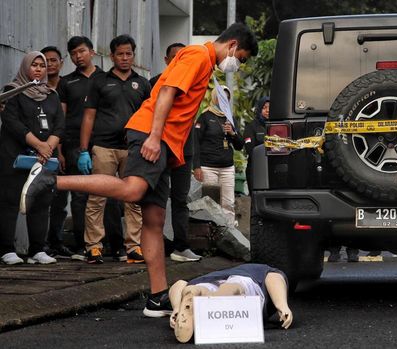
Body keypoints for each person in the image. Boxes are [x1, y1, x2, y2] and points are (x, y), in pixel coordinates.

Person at [20, 23, 258, 316]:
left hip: (165, 145)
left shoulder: (205, 62)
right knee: (133, 189)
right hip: (151, 136)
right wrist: (155, 137)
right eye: (242, 57)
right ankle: (52, 181)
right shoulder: (197, 55)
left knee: (154, 220)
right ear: (233, 45)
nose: (238, 63)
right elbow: (166, 93)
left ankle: (157, 296)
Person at [79, 35, 150, 264]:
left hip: (132, 149)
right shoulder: (99, 81)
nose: (125, 58)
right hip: (103, 147)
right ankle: (93, 246)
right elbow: (88, 117)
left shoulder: (143, 83)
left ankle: (134, 247)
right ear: (112, 56)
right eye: (120, 54)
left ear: (133, 55)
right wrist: (83, 150)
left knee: (134, 199)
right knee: (97, 198)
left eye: (129, 53)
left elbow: (149, 117)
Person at [0, 52, 64, 265]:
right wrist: (39, 145)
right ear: (25, 67)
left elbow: (59, 124)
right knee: (10, 201)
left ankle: (38, 249)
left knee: (42, 201)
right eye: (34, 65)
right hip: (15, 156)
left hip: (44, 159)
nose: (38, 69)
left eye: (41, 65)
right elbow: (12, 121)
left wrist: (48, 147)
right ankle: (7, 249)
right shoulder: (12, 91)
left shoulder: (51, 94)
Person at [56, 36, 106, 261]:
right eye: (74, 53)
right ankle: (80, 246)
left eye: (82, 51)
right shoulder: (66, 82)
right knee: (79, 196)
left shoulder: (106, 78)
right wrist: (58, 149)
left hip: (105, 142)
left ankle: (110, 245)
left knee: (107, 194)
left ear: (92, 52)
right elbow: (61, 116)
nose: (78, 56)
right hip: (73, 144)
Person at [151, 43, 201, 263]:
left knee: (180, 199)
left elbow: (193, 123)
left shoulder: (193, 83)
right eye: (174, 57)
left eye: (182, 57)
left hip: (184, 149)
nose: (178, 61)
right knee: (156, 198)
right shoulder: (155, 83)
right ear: (166, 59)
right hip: (160, 147)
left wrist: (197, 161)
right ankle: (156, 244)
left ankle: (181, 245)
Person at [168, 263, 293, 343]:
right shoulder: (265, 270)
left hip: (206, 280)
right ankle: (217, 298)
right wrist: (281, 305)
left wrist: (176, 308)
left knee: (197, 287)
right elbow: (274, 277)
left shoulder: (220, 273)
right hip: (247, 282)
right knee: (235, 289)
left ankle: (197, 292)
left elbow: (179, 284)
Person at [40, 46, 74, 258]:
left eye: (54, 60)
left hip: (62, 147)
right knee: (42, 198)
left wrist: (59, 151)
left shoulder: (68, 85)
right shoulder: (35, 87)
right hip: (38, 147)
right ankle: (40, 243)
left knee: (61, 200)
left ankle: (57, 240)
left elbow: (62, 122)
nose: (50, 64)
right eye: (46, 61)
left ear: (61, 62)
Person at [193, 85, 243, 226]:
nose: (224, 101)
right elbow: (195, 142)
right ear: (215, 98)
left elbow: (240, 145)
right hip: (208, 167)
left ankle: (229, 231)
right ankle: (211, 232)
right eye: (221, 98)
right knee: (210, 201)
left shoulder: (230, 118)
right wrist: (196, 167)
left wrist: (233, 133)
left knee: (228, 202)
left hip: (227, 167)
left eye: (226, 98)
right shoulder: (205, 116)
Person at [243, 96, 269, 193]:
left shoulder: (278, 126)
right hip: (256, 169)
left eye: (270, 107)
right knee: (256, 198)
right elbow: (250, 149)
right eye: (264, 108)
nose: (267, 111)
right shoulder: (251, 127)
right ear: (259, 109)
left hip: (274, 169)